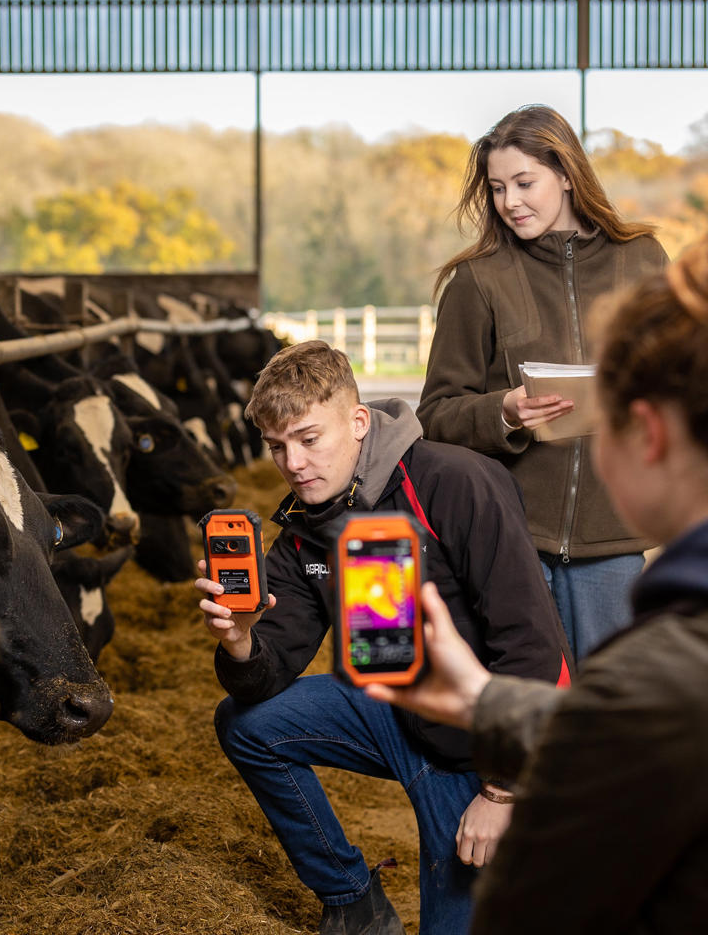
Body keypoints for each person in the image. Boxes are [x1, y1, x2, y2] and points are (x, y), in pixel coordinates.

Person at [367, 237, 708, 934]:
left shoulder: (665, 658)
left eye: (599, 416)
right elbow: (633, 731)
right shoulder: (668, 664)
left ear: (644, 435)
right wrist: (491, 703)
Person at [195, 340, 572, 935]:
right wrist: (241, 640)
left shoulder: (456, 482)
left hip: (473, 743)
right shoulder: (302, 527)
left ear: (359, 422)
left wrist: (502, 792)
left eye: (309, 438)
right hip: (391, 710)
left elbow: (535, 649)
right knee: (247, 725)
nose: (293, 463)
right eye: (276, 447)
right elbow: (266, 675)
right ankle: (351, 897)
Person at [416, 104, 670, 661]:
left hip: (614, 539)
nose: (510, 202)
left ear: (566, 173)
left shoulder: (644, 260)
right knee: (527, 711)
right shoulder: (478, 281)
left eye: (524, 182)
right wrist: (504, 412)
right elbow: (434, 414)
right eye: (498, 187)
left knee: (611, 712)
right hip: (512, 541)